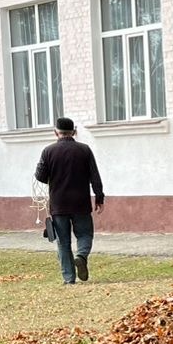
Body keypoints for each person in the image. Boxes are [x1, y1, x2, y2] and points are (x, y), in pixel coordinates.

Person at [35, 117, 105, 284]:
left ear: (56, 132)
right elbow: (94, 176)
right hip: (81, 202)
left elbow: (40, 176)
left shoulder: (48, 151)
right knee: (85, 234)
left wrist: (54, 176)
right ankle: (81, 256)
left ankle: (69, 279)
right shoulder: (84, 150)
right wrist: (99, 197)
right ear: (73, 132)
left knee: (63, 242)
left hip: (58, 204)